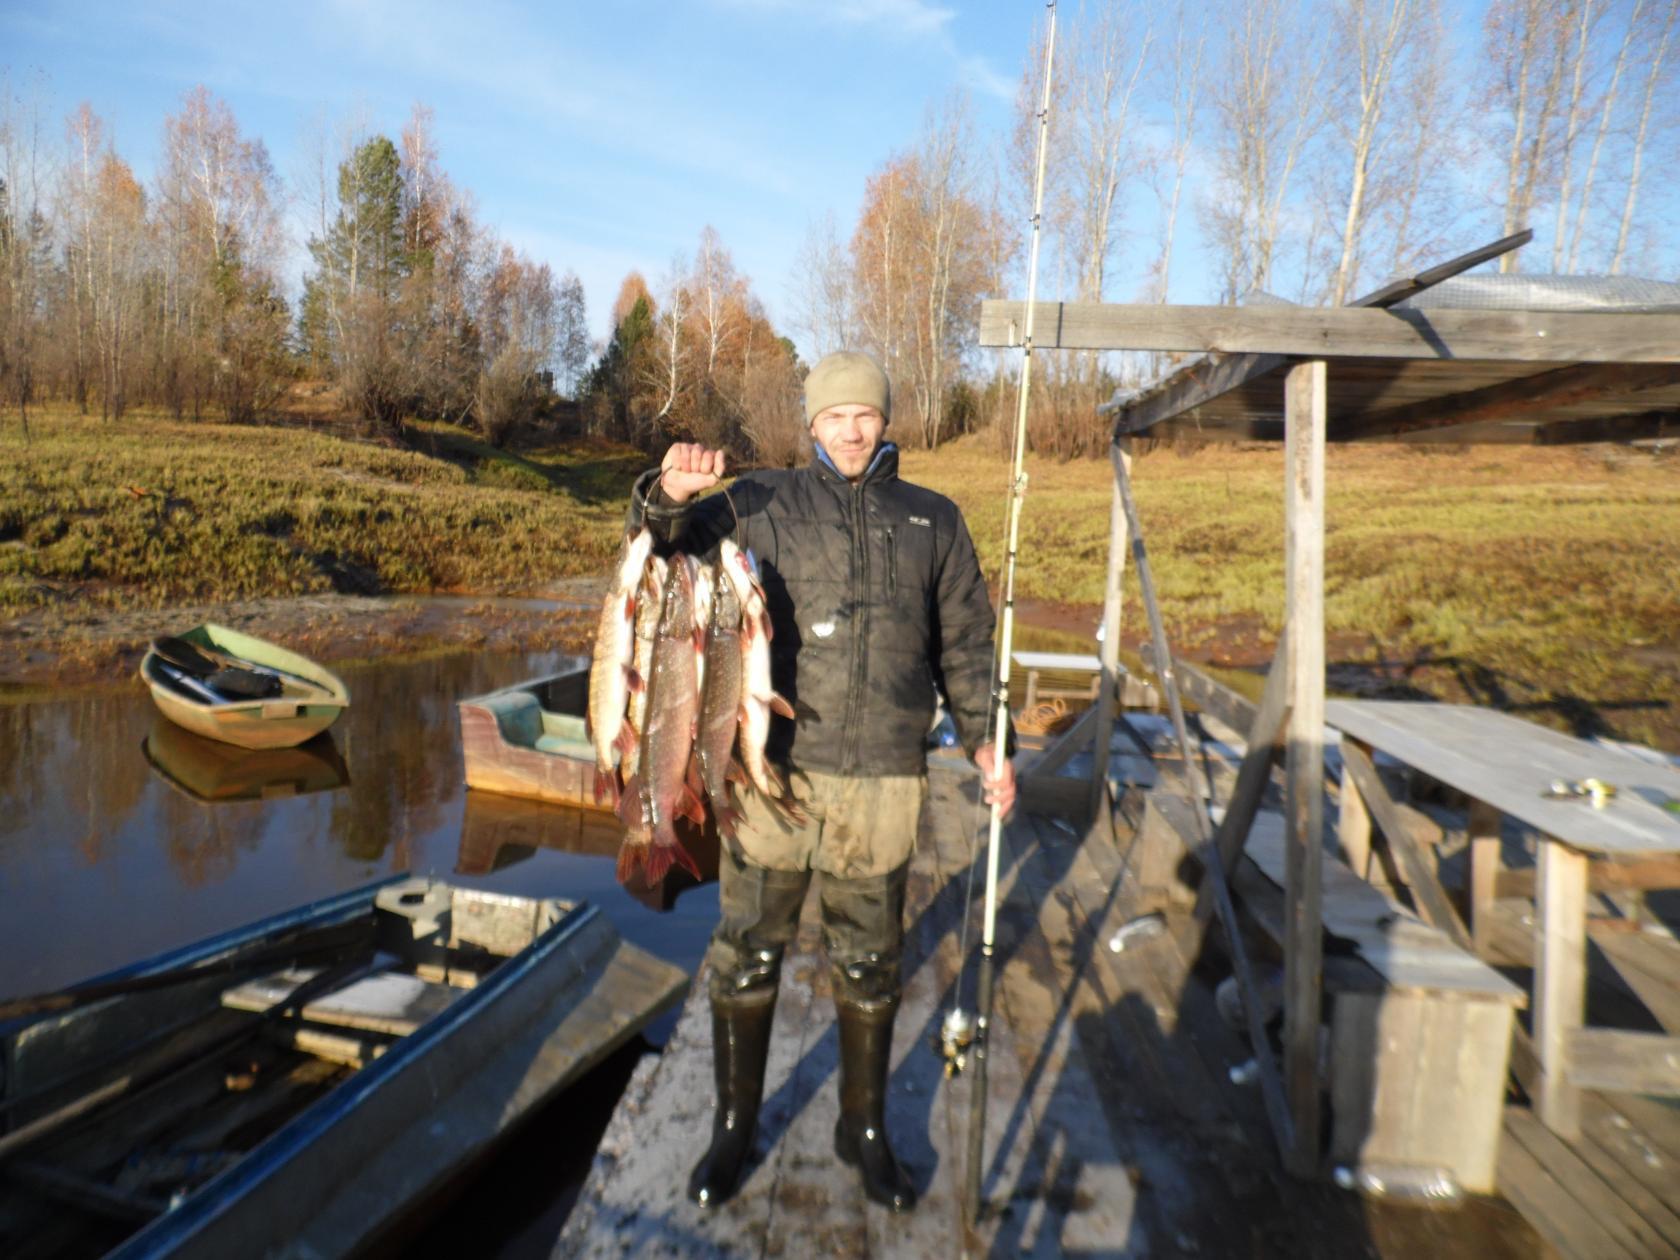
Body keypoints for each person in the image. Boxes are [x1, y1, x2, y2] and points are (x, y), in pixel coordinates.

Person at [629, 349, 1015, 1213]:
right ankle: (733, 1128)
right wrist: (668, 496)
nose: (851, 428)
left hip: (882, 781)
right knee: (746, 952)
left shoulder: (934, 520)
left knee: (870, 963)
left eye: (865, 414)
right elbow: (661, 544)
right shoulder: (759, 502)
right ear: (812, 423)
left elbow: (967, 645)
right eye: (835, 414)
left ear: (884, 421)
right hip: (771, 778)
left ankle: (863, 1128)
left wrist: (990, 741)